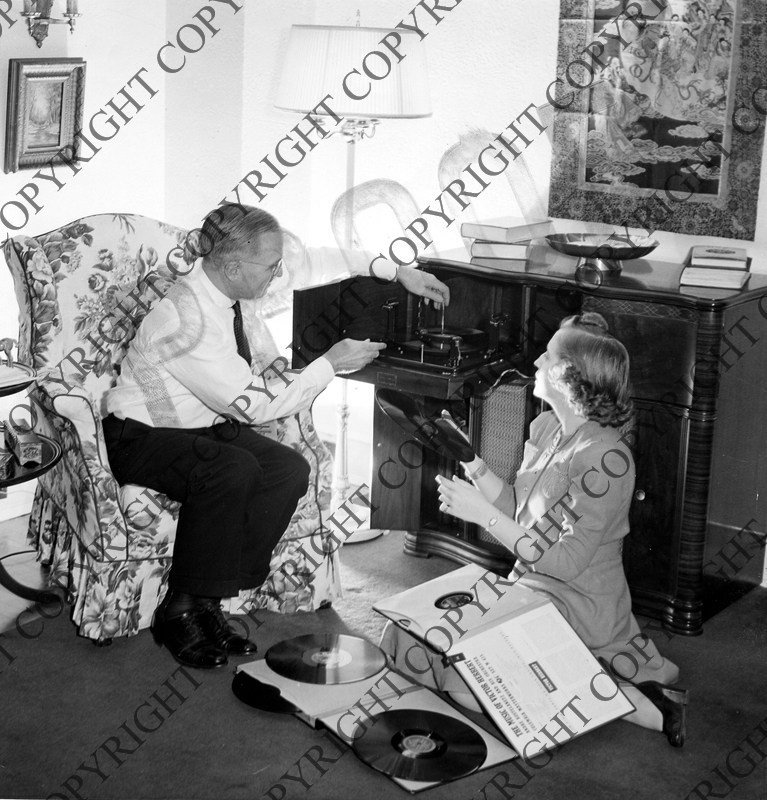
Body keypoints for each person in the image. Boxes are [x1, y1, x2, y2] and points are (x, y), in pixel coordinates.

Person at [103, 203, 450, 669]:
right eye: (271, 266)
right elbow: (254, 406)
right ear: (232, 266)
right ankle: (179, 609)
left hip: (198, 428)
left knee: (288, 468)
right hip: (139, 437)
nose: (279, 273)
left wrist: (398, 270)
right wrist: (331, 362)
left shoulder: (236, 275)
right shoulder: (185, 322)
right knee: (231, 467)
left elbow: (318, 259)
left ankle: (210, 600)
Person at [380, 312, 688, 747]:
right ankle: (586, 687)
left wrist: (482, 516)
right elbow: (520, 511)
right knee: (405, 633)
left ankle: (630, 698)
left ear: (569, 378)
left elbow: (565, 562)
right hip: (527, 587)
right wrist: (473, 465)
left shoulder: (606, 458)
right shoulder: (545, 427)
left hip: (576, 601)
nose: (537, 362)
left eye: (547, 356)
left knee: (468, 686)